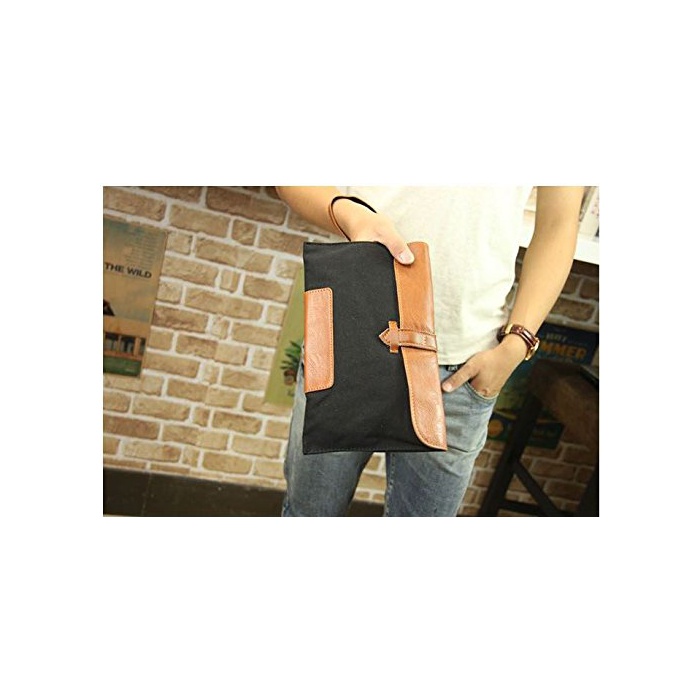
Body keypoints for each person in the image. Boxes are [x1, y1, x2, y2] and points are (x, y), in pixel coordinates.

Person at [275, 186, 585, 517]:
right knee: (308, 515)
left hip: (463, 369)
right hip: (347, 341)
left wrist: (516, 343)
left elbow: (559, 223)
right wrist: (349, 213)